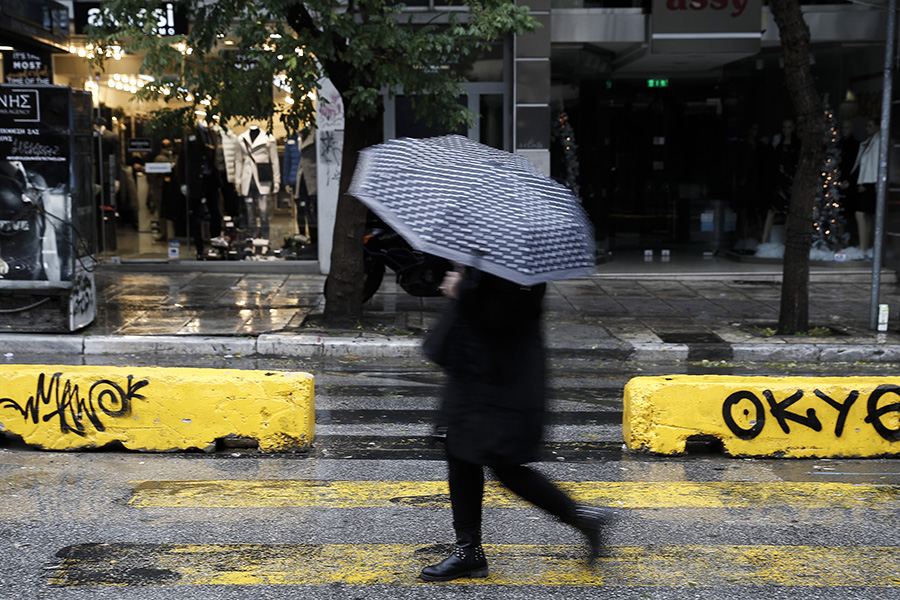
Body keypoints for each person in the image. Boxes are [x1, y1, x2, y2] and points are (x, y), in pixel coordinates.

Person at [419, 267, 613, 582]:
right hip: (476, 374)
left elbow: (501, 315)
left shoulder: (519, 267)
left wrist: (462, 290)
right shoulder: (496, 253)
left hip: (501, 381)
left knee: (504, 465)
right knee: (460, 453)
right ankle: (469, 551)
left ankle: (581, 517)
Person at [763, 118, 799, 244]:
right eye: (784, 127)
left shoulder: (797, 145)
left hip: (790, 182)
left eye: (789, 127)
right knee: (772, 210)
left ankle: (786, 242)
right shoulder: (778, 144)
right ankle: (763, 241)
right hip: (779, 182)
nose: (786, 130)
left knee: (788, 212)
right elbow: (772, 163)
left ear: (793, 128)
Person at [851, 117, 881, 253]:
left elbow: (875, 165)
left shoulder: (879, 141)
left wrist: (867, 182)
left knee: (861, 213)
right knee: (866, 215)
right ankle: (866, 245)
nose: (867, 128)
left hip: (871, 182)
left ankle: (864, 246)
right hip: (868, 181)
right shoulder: (871, 141)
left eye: (870, 126)